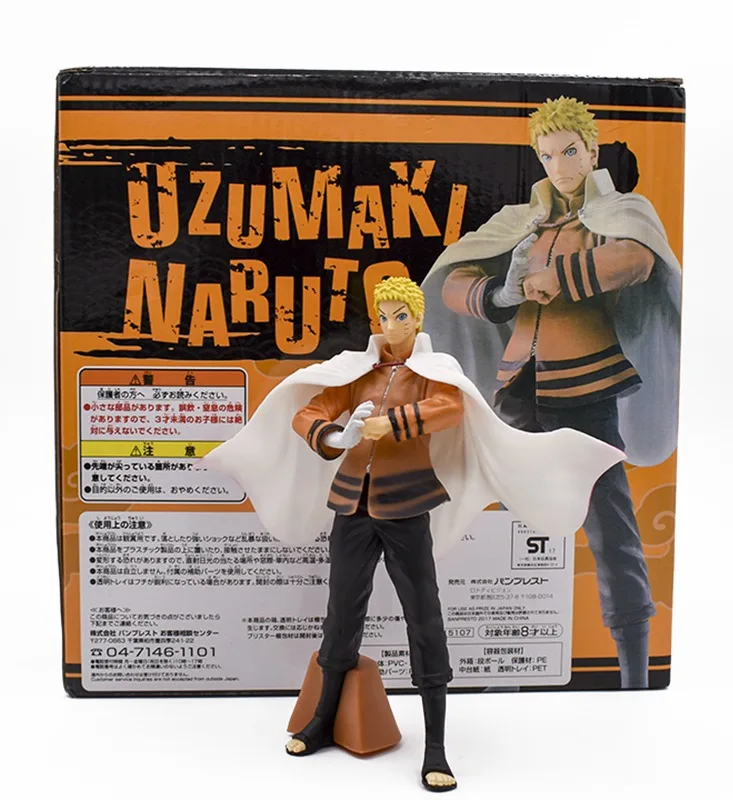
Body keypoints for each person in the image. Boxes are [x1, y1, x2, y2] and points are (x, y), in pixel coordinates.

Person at [203, 277, 624, 790]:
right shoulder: (357, 373)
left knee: (423, 616)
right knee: (341, 613)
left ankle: (436, 747)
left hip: (406, 505)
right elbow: (309, 411)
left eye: (400, 316)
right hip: (352, 505)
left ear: (417, 319)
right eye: (383, 317)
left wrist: (394, 422)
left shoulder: (433, 370)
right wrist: (338, 434)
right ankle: (322, 719)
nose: (390, 326)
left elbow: (451, 407)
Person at [420, 97, 682, 689]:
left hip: (586, 384)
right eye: (547, 155)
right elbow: (452, 278)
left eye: (569, 152)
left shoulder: (622, 210)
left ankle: (634, 670)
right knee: (481, 500)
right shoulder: (520, 220)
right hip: (515, 387)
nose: (559, 166)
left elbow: (635, 259)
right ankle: (468, 643)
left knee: (608, 521)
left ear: (591, 151)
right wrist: (500, 294)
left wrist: (555, 277)